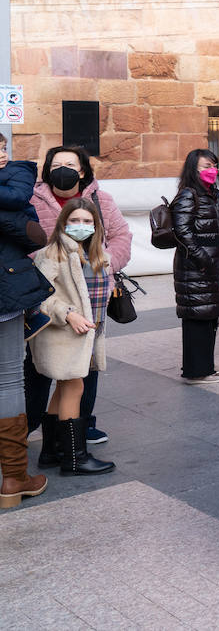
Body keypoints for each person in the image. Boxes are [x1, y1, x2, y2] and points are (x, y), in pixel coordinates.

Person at [26, 144, 131, 445]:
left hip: (93, 295)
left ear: (82, 170)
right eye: (56, 164)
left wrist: (106, 261)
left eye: (70, 164)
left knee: (85, 370)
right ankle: (32, 426)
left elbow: (121, 236)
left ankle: (77, 428)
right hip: (51, 294)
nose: (63, 169)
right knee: (42, 367)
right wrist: (46, 262)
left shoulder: (100, 199)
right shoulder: (33, 199)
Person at [31, 198, 115, 476]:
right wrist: (67, 314)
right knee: (75, 387)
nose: (81, 226)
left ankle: (51, 451)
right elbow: (39, 297)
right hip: (64, 333)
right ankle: (75, 459)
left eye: (87, 221)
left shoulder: (95, 252)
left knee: (66, 387)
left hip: (86, 334)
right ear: (63, 222)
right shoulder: (52, 253)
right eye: (75, 220)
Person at [0, 134, 50, 507]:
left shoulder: (18, 176)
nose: (2, 156)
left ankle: (15, 477)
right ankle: (13, 478)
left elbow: (30, 229)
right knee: (8, 379)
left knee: (8, 378)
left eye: (3, 148)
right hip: (6, 287)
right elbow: (26, 228)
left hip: (7, 287)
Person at [170, 149, 219, 384]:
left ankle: (205, 366)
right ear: (193, 169)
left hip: (209, 265)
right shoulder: (189, 194)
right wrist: (204, 258)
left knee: (207, 317)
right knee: (197, 317)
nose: (211, 170)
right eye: (205, 166)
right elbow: (182, 231)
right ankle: (196, 372)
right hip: (196, 267)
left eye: (214, 165)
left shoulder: (209, 194)